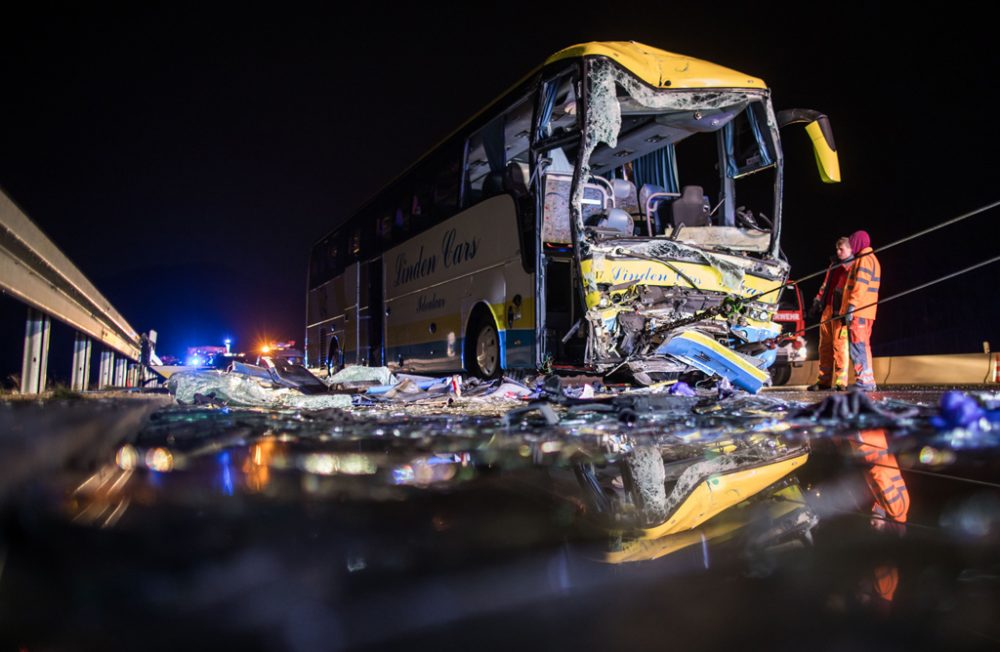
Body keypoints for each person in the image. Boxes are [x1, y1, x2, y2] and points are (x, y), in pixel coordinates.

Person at [807, 237, 852, 391]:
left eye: (842, 249)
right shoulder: (833, 265)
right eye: (837, 249)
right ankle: (824, 381)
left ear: (850, 249)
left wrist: (849, 311)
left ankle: (841, 382)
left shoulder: (852, 266)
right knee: (824, 347)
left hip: (841, 312)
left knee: (840, 347)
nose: (838, 252)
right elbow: (825, 286)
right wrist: (817, 301)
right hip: (828, 309)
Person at [842, 230, 881, 391]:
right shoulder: (871, 259)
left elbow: (860, 286)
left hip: (859, 310)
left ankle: (864, 381)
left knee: (858, 345)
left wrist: (851, 306)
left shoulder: (864, 260)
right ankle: (867, 379)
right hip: (866, 311)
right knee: (863, 346)